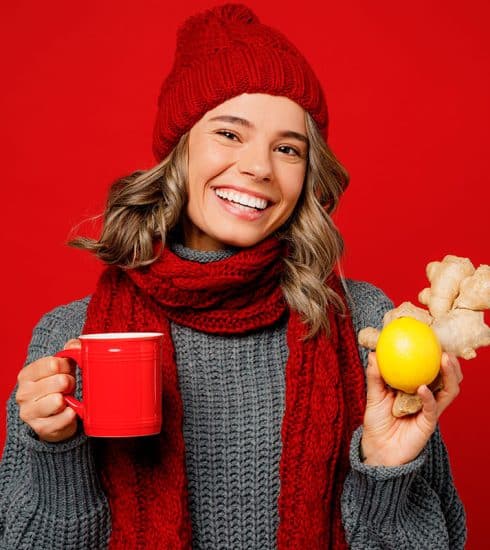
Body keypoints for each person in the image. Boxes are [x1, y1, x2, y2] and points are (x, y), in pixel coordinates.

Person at [0, 3, 466, 549]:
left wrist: (386, 466)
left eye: (287, 148)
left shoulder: (367, 327)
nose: (260, 167)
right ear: (181, 152)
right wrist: (57, 450)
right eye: (229, 133)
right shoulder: (72, 341)